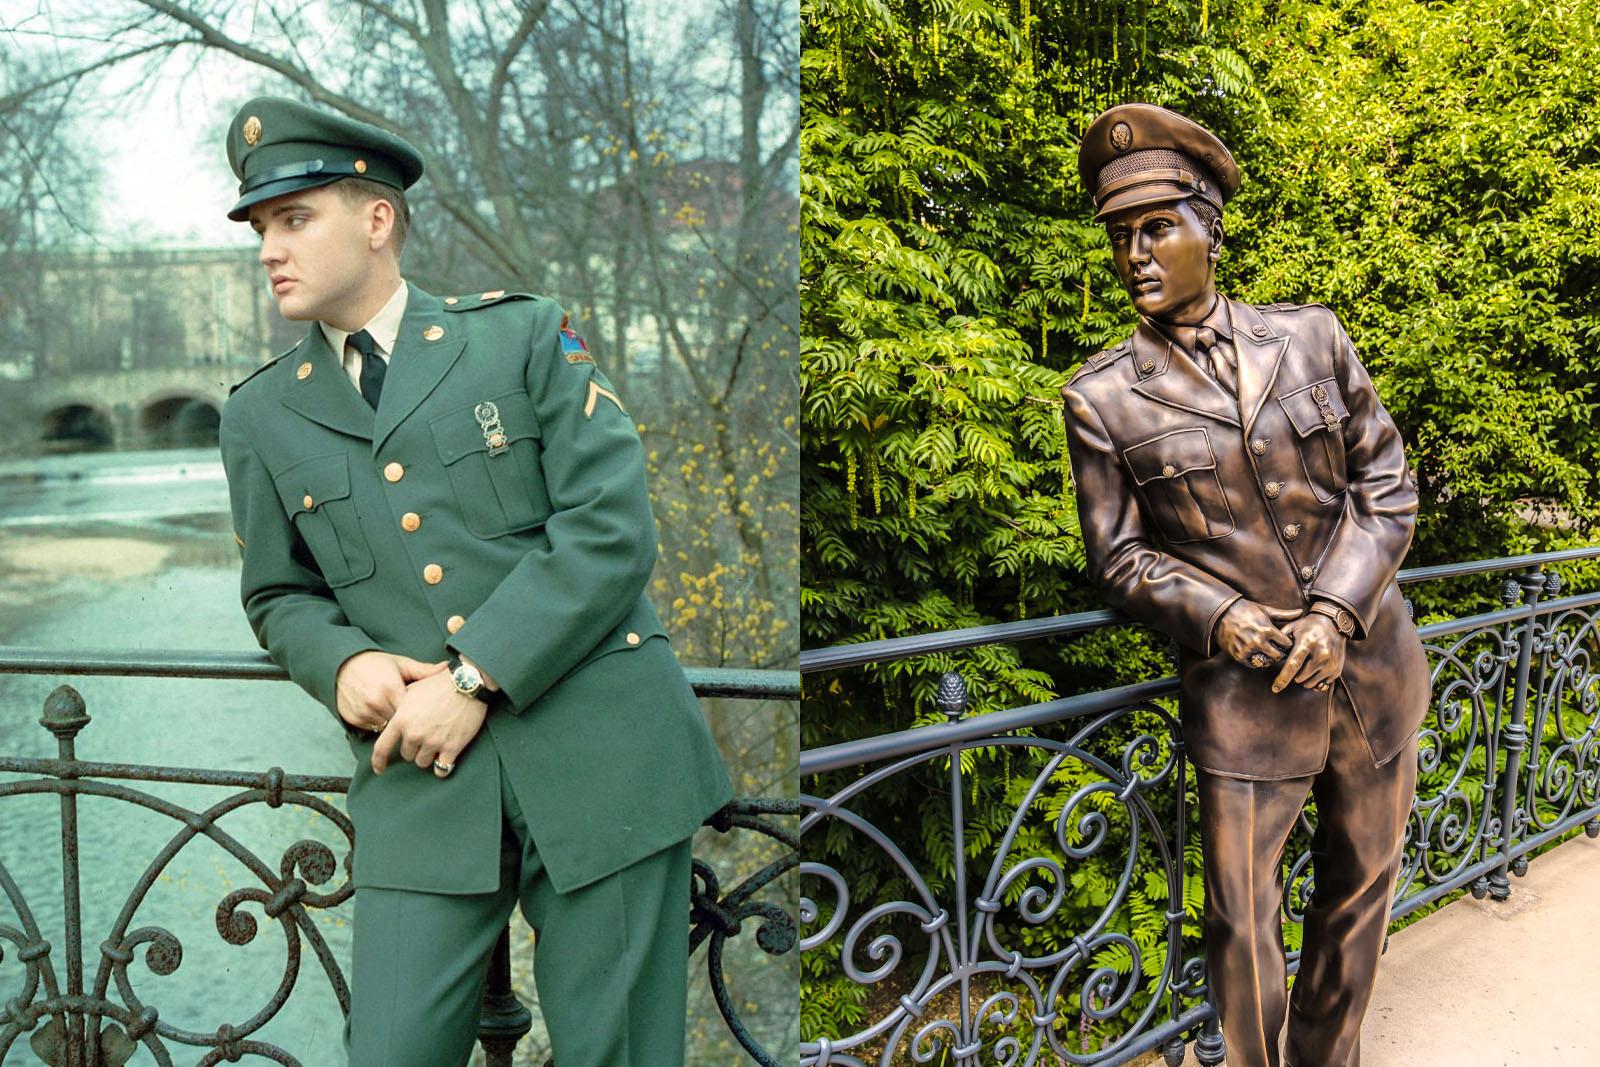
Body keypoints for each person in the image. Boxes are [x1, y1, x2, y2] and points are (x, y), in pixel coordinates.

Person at [216, 96, 732, 1067]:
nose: (268, 249)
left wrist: (473, 676)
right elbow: (277, 594)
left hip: (604, 752)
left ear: (376, 220)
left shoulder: (522, 338)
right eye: (258, 228)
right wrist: (342, 664)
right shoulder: (259, 418)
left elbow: (612, 531)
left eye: (293, 219)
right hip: (420, 784)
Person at [1060, 103, 1431, 1067]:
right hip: (1244, 694)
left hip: (1372, 668)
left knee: (1360, 890)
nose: (1136, 254)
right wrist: (1221, 615)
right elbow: (1120, 555)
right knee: (1240, 921)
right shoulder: (1100, 399)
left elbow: (1386, 486)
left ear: (1208, 231)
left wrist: (1337, 610)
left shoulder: (1311, 337)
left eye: (1156, 228)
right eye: (1121, 236)